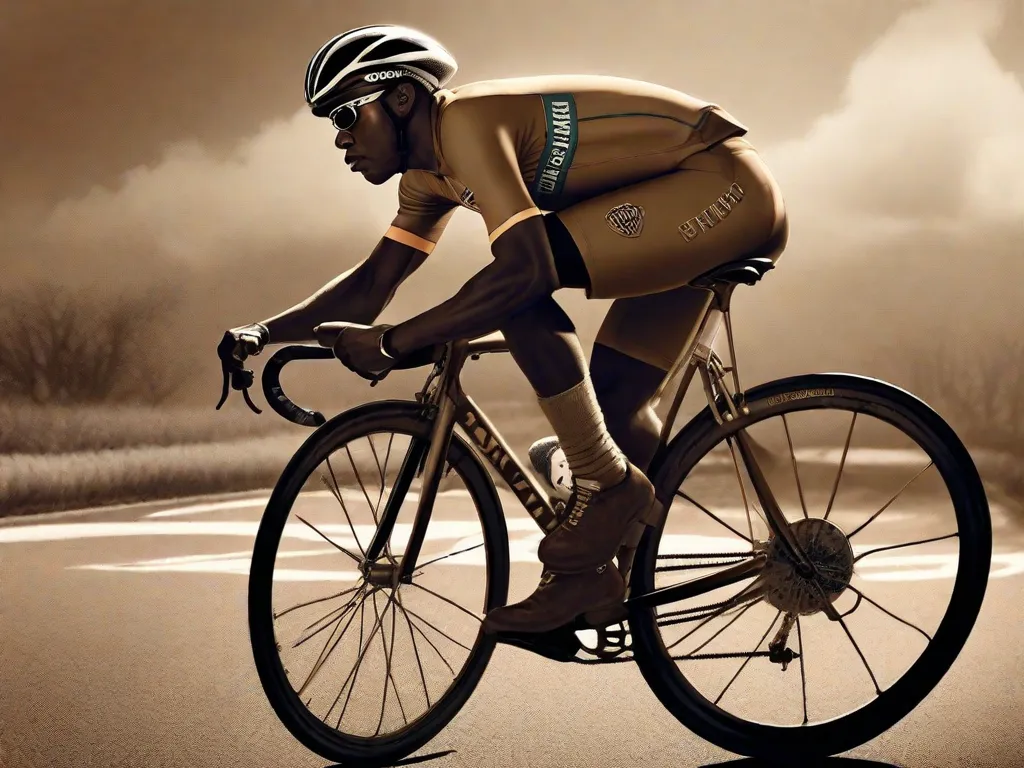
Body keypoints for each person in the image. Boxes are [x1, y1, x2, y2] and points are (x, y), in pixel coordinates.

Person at [220, 24, 788, 635]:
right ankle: (596, 582)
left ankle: (607, 484)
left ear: (401, 98)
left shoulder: (464, 125)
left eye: (346, 113)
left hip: (722, 190)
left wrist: (394, 342)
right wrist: (264, 331)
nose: (340, 138)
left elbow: (527, 272)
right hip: (684, 205)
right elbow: (371, 285)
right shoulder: (426, 179)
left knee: (515, 292)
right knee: (616, 406)